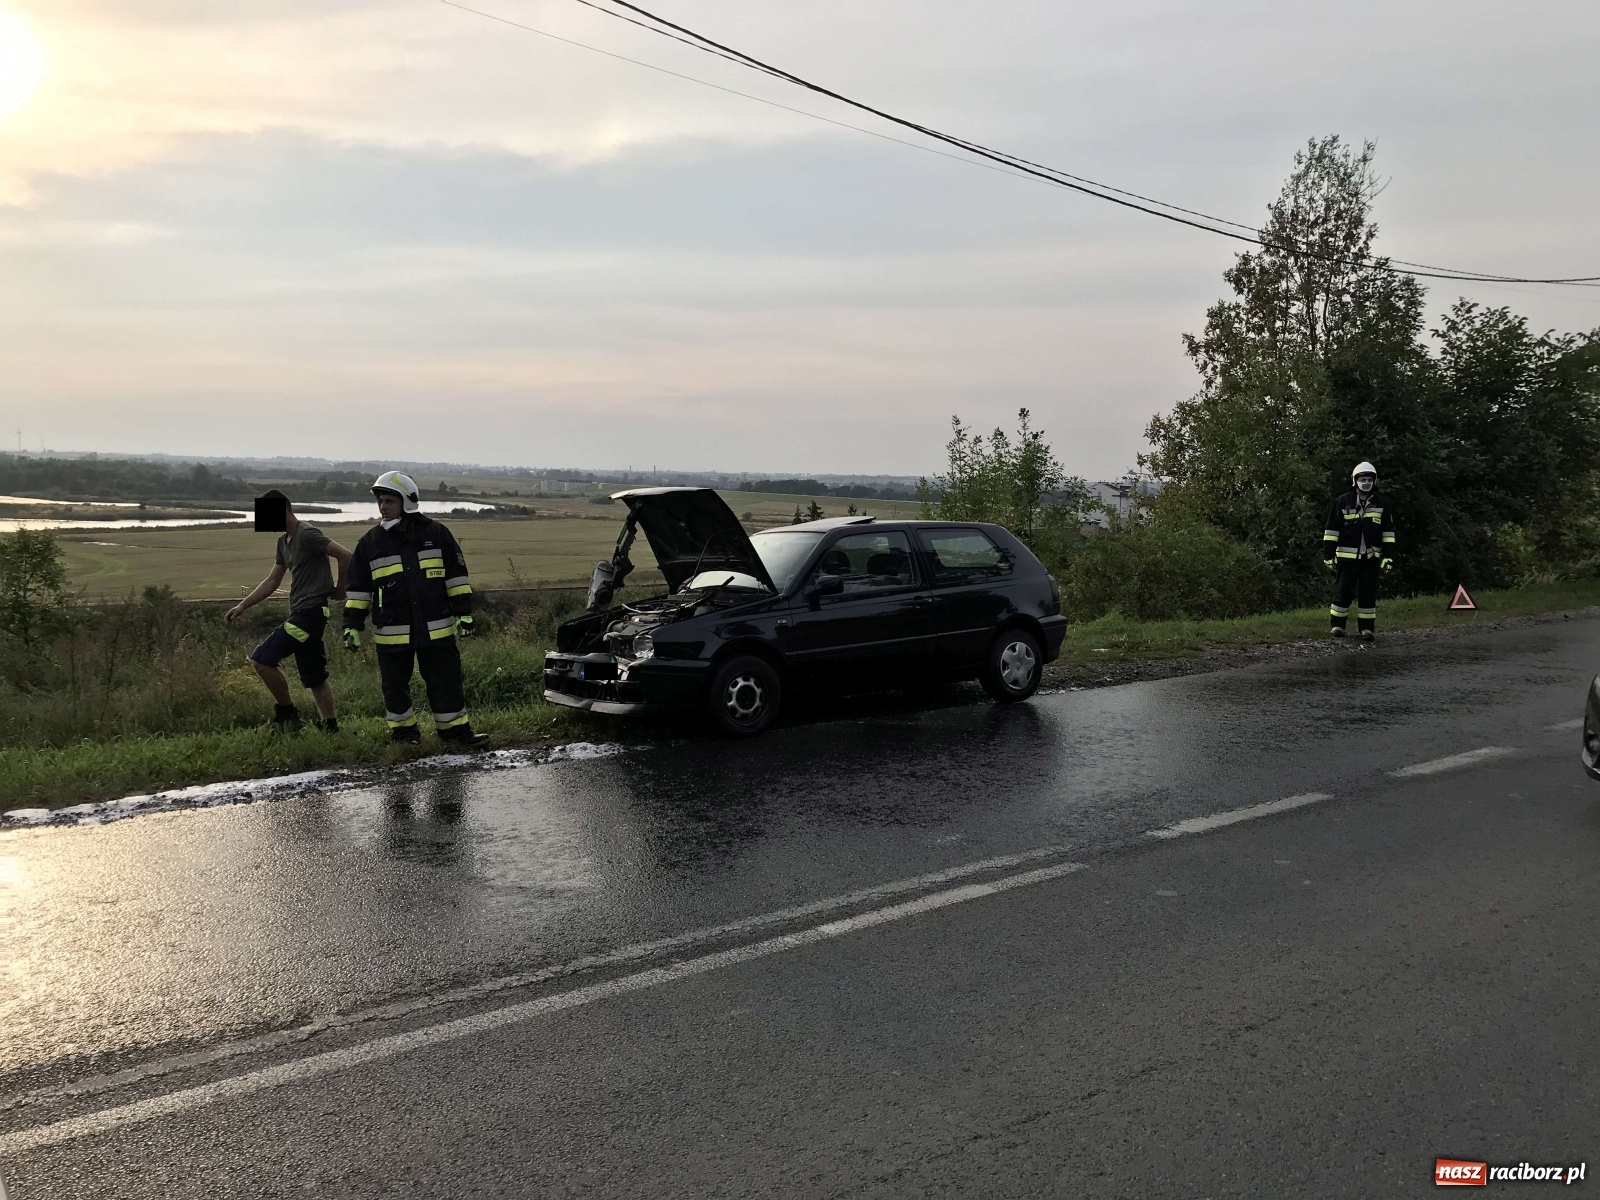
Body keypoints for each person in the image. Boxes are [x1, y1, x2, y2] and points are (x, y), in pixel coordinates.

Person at [342, 471, 488, 746]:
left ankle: (455, 734)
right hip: (392, 632)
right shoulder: (370, 543)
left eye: (389, 500)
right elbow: (358, 590)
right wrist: (351, 625)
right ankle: (404, 737)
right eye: (380, 501)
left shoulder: (436, 534)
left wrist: (464, 613)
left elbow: (456, 578)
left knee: (446, 682)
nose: (383, 506)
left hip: (436, 628)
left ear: (406, 501)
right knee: (395, 687)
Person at [226, 489, 353, 730]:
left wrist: (340, 589)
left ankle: (288, 714)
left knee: (262, 660)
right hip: (302, 613)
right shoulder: (283, 543)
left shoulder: (307, 534)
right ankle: (331, 726)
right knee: (315, 675)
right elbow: (273, 581)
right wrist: (242, 605)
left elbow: (346, 555)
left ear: (283, 510)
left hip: (310, 614)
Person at [1322, 461, 1396, 642]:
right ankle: (1337, 626)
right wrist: (1328, 555)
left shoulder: (1380, 503)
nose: (1366, 483)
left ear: (1374, 481)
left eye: (1369, 480)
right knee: (1342, 591)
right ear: (1355, 481)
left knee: (1368, 593)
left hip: (1371, 558)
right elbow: (1331, 530)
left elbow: (1388, 533)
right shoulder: (1343, 502)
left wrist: (1388, 556)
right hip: (1346, 558)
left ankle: (1367, 629)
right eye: (1363, 479)